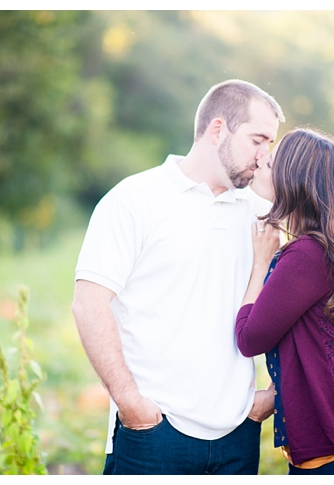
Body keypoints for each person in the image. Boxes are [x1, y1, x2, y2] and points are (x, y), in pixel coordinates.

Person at [72, 79, 285, 475]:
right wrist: (132, 405)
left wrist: (272, 396)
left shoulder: (263, 213)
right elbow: (89, 303)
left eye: (270, 144)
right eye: (258, 140)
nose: (264, 156)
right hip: (154, 432)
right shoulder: (134, 199)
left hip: (239, 432)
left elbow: (296, 305)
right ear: (218, 129)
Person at [235, 127, 334, 475]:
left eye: (271, 161)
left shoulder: (307, 255)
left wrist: (261, 262)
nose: (261, 160)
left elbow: (250, 339)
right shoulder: (331, 245)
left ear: (293, 180)